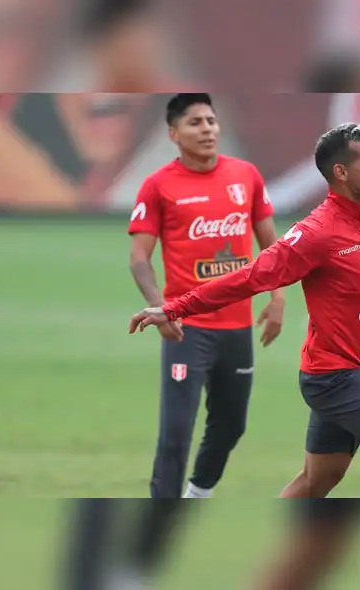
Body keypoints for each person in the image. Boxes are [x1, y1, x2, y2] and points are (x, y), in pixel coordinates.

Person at [130, 122, 360, 498]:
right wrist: (176, 308)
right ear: (341, 172)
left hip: (359, 373)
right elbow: (250, 278)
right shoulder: (317, 233)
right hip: (333, 379)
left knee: (316, 481)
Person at [128, 93, 286, 499]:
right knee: (176, 431)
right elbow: (139, 259)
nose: (207, 129)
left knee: (231, 425)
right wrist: (161, 308)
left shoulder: (246, 176)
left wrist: (278, 298)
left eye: (212, 121)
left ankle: (198, 494)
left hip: (237, 329)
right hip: (187, 329)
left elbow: (272, 247)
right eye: (195, 122)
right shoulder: (158, 185)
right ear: (173, 133)